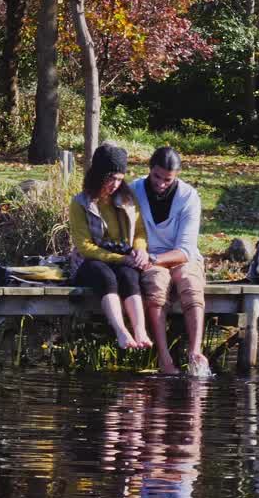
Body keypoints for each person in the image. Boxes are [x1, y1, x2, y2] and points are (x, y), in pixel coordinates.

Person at [132, 146, 209, 375]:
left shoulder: (188, 196)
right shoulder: (134, 190)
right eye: (157, 176)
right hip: (149, 257)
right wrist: (145, 256)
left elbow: (185, 250)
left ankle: (195, 352)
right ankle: (164, 358)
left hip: (180, 256)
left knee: (190, 283)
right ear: (150, 169)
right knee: (156, 286)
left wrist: (154, 259)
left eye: (168, 179)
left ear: (176, 176)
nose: (161, 184)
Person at [69, 143, 154, 350]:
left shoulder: (128, 199)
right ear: (98, 175)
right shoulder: (80, 203)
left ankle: (140, 330)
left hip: (122, 258)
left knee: (129, 276)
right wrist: (121, 259)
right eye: (110, 178)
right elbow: (85, 246)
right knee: (106, 276)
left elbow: (140, 232)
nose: (115, 184)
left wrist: (140, 250)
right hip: (89, 262)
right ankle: (121, 331)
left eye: (119, 178)